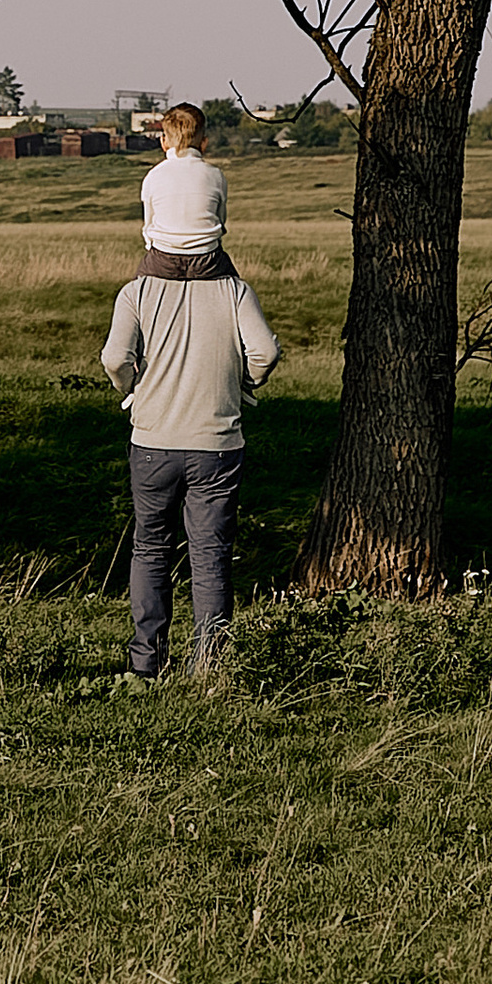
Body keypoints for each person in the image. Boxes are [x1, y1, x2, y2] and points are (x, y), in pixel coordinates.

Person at [99, 254, 280, 678]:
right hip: (217, 444)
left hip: (152, 442)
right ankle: (210, 664)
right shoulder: (234, 291)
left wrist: (131, 390)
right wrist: (245, 385)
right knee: (211, 554)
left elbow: (114, 358)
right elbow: (266, 352)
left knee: (150, 548)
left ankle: (147, 663)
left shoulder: (136, 292)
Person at [139, 100, 233, 280]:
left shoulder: (153, 176)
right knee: (236, 290)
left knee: (137, 292)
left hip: (162, 259)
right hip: (207, 259)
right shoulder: (215, 175)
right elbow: (221, 221)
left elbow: (148, 226)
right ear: (203, 143)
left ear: (163, 142)